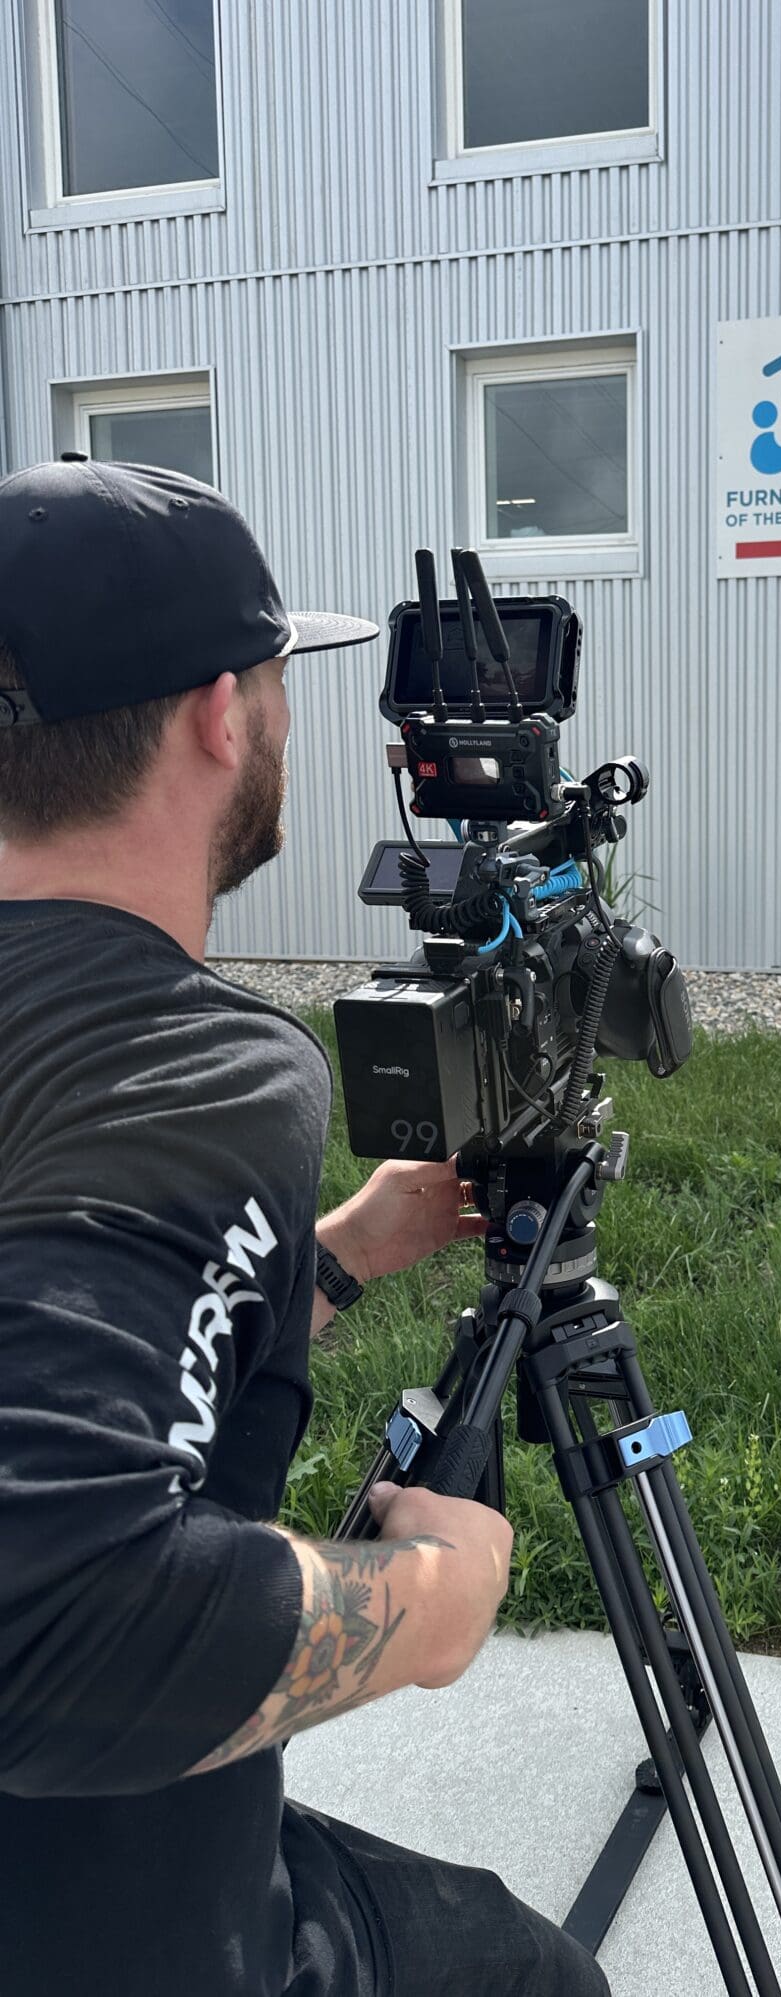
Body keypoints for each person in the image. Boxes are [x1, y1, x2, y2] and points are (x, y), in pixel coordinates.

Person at [0, 457, 611, 1997]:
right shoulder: (183, 1058)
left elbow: (68, 1360)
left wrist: (327, 1255)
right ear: (223, 717)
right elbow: (57, 1631)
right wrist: (421, 1607)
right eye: (279, 679)